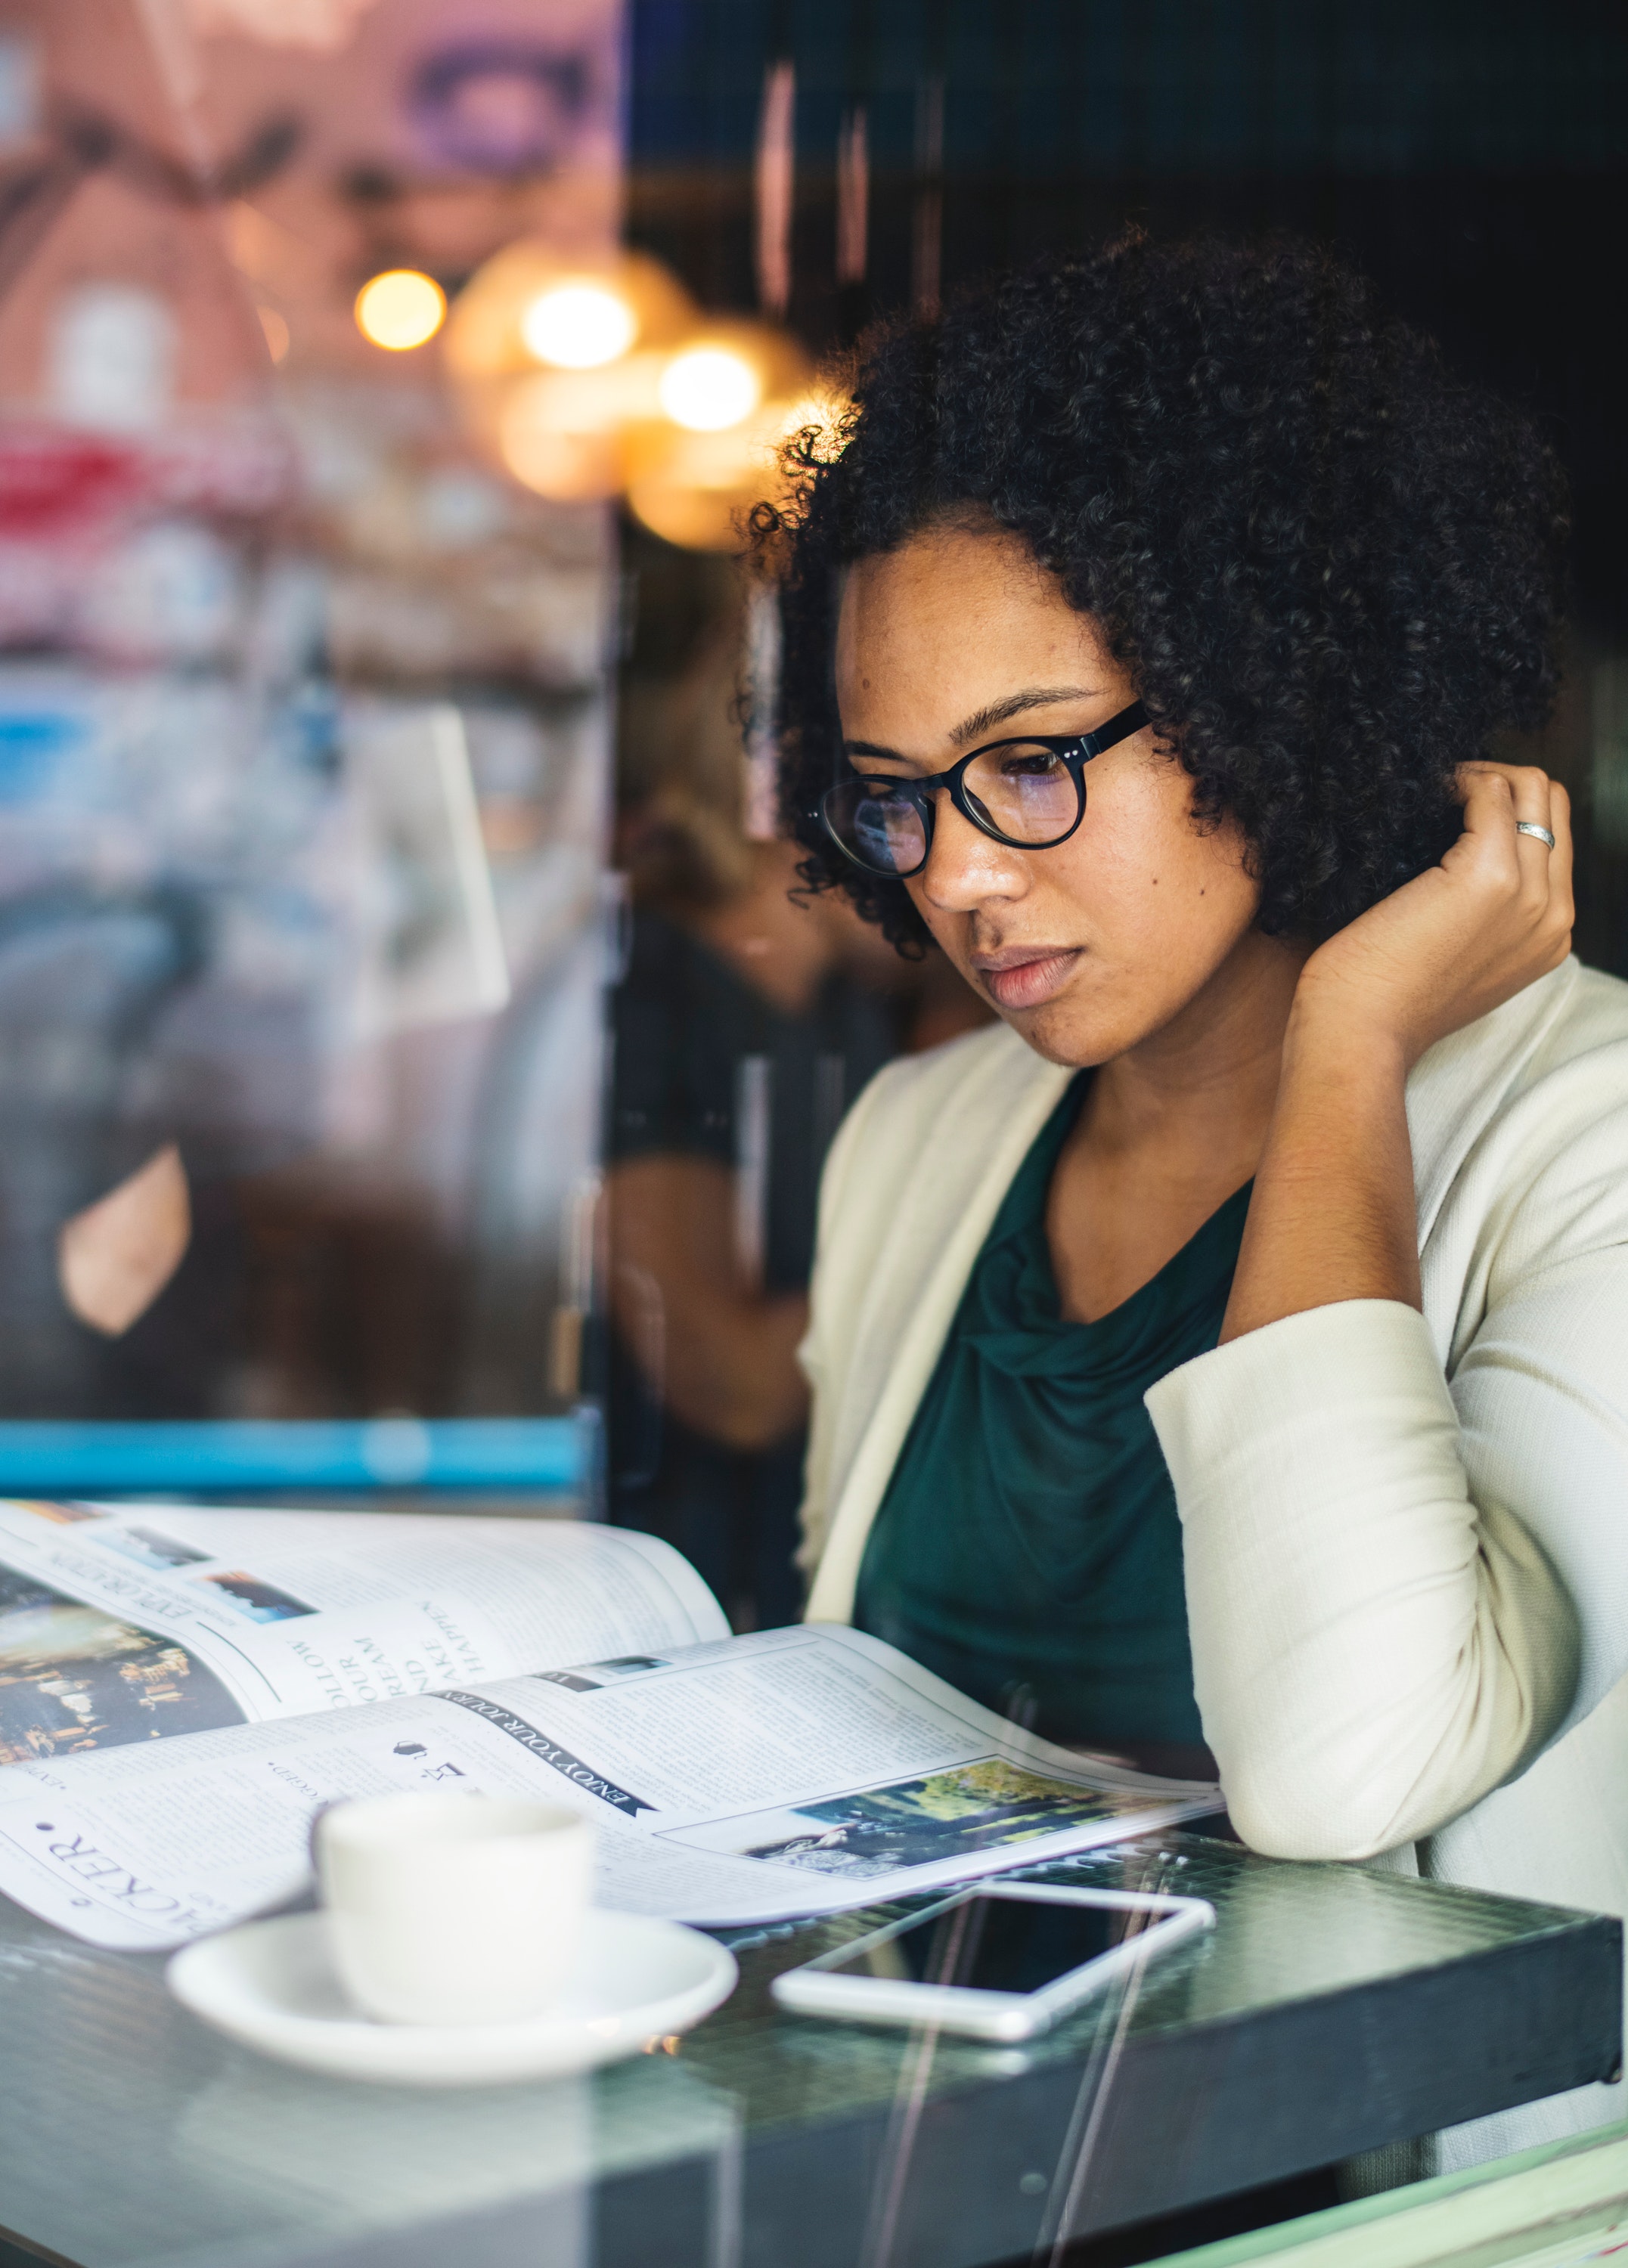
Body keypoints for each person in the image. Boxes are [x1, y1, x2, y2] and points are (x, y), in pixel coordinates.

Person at [763, 237, 1628, 2167]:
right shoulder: (919, 1142)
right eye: (899, 793)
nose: (959, 880)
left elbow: (1345, 1764)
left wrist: (1350, 1047)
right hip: (896, 2154)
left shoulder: (1599, 1142)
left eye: (1036, 763)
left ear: (1272, 689)